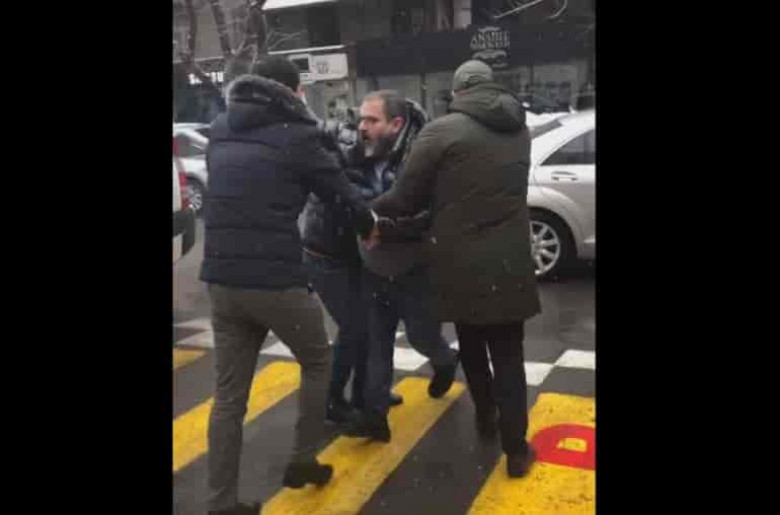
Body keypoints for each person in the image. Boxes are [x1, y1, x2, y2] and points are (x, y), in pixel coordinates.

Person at [200, 55, 378, 515]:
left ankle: (220, 504)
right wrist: (368, 224)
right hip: (276, 280)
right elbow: (340, 192)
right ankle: (302, 460)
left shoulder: (220, 128)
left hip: (221, 280)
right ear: (292, 91)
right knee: (318, 362)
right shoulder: (297, 135)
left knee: (229, 398)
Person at [369, 61, 542, 477]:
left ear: (458, 92)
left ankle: (485, 417)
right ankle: (517, 450)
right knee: (509, 356)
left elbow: (405, 199)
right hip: (511, 262)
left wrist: (366, 211)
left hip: (459, 262)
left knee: (473, 345)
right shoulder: (520, 129)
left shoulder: (441, 131)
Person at [338, 90, 460, 443]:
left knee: (422, 337)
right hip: (373, 269)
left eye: (371, 120)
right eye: (361, 118)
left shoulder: (422, 159)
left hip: (415, 270)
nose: (362, 127)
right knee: (378, 345)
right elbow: (344, 200)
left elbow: (431, 217)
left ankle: (445, 361)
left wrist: (383, 228)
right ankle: (375, 417)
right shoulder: (355, 154)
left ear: (396, 124)